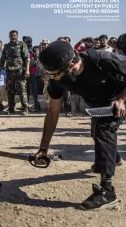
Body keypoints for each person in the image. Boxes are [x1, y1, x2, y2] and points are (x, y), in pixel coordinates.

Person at [34, 41, 126, 210]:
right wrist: (43, 148)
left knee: (103, 130)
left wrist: (121, 99)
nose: (53, 79)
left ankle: (107, 192)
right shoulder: (57, 80)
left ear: (71, 65)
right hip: (101, 104)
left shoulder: (103, 59)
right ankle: (112, 158)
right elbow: (53, 113)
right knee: (96, 131)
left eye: (55, 75)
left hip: (121, 96)